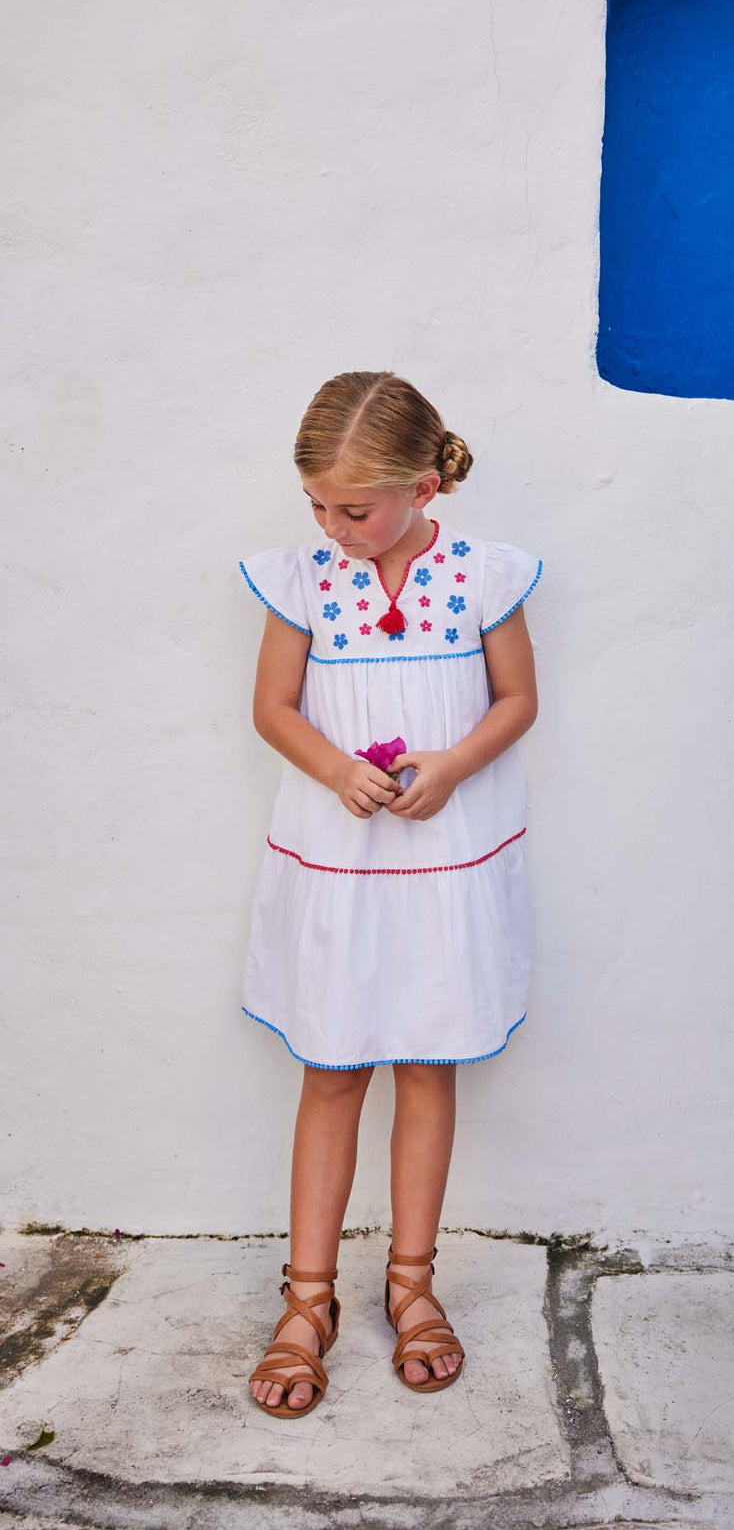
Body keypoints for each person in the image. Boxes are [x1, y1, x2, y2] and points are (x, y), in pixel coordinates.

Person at [237, 370, 543, 1416]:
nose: (332, 524)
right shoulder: (305, 577)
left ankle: (411, 1282)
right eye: (317, 504)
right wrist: (333, 769)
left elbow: (517, 700)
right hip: (338, 859)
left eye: (352, 507)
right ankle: (306, 1299)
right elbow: (273, 708)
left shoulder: (482, 575)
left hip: (442, 859)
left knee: (424, 1061)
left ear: (423, 485)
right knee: (331, 1068)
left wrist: (453, 762)